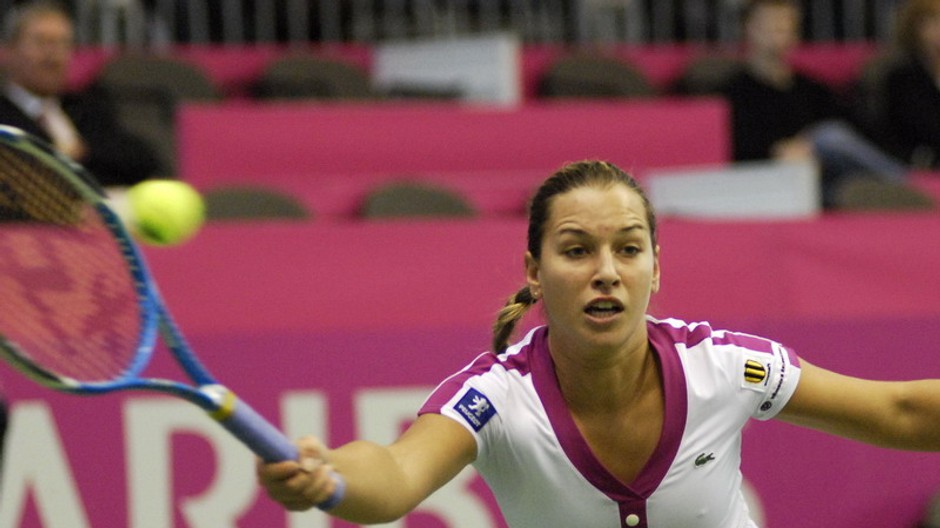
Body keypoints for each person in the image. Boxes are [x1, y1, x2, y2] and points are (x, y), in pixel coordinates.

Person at [257, 159, 940, 527]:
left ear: (655, 267)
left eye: (628, 249)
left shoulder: (728, 367)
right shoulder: (496, 398)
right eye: (577, 250)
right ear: (534, 271)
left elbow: (900, 412)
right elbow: (397, 476)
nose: (606, 271)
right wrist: (331, 477)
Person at [721, 0, 918, 208]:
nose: (779, 31)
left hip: (823, 170)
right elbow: (732, 146)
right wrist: (775, 151)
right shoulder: (733, 92)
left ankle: (895, 186)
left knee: (830, 143)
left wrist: (811, 148)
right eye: (770, 24)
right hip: (770, 177)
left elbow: (853, 127)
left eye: (786, 24)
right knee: (827, 143)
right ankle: (904, 183)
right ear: (748, 28)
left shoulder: (812, 88)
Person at [0, 1, 162, 188]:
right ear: (10, 50)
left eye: (63, 43)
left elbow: (142, 160)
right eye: (41, 41)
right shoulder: (4, 115)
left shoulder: (86, 107)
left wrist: (84, 152)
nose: (52, 54)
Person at [882, 0, 940, 169]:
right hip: (910, 165)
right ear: (914, 28)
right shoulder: (902, 78)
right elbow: (925, 129)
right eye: (932, 22)